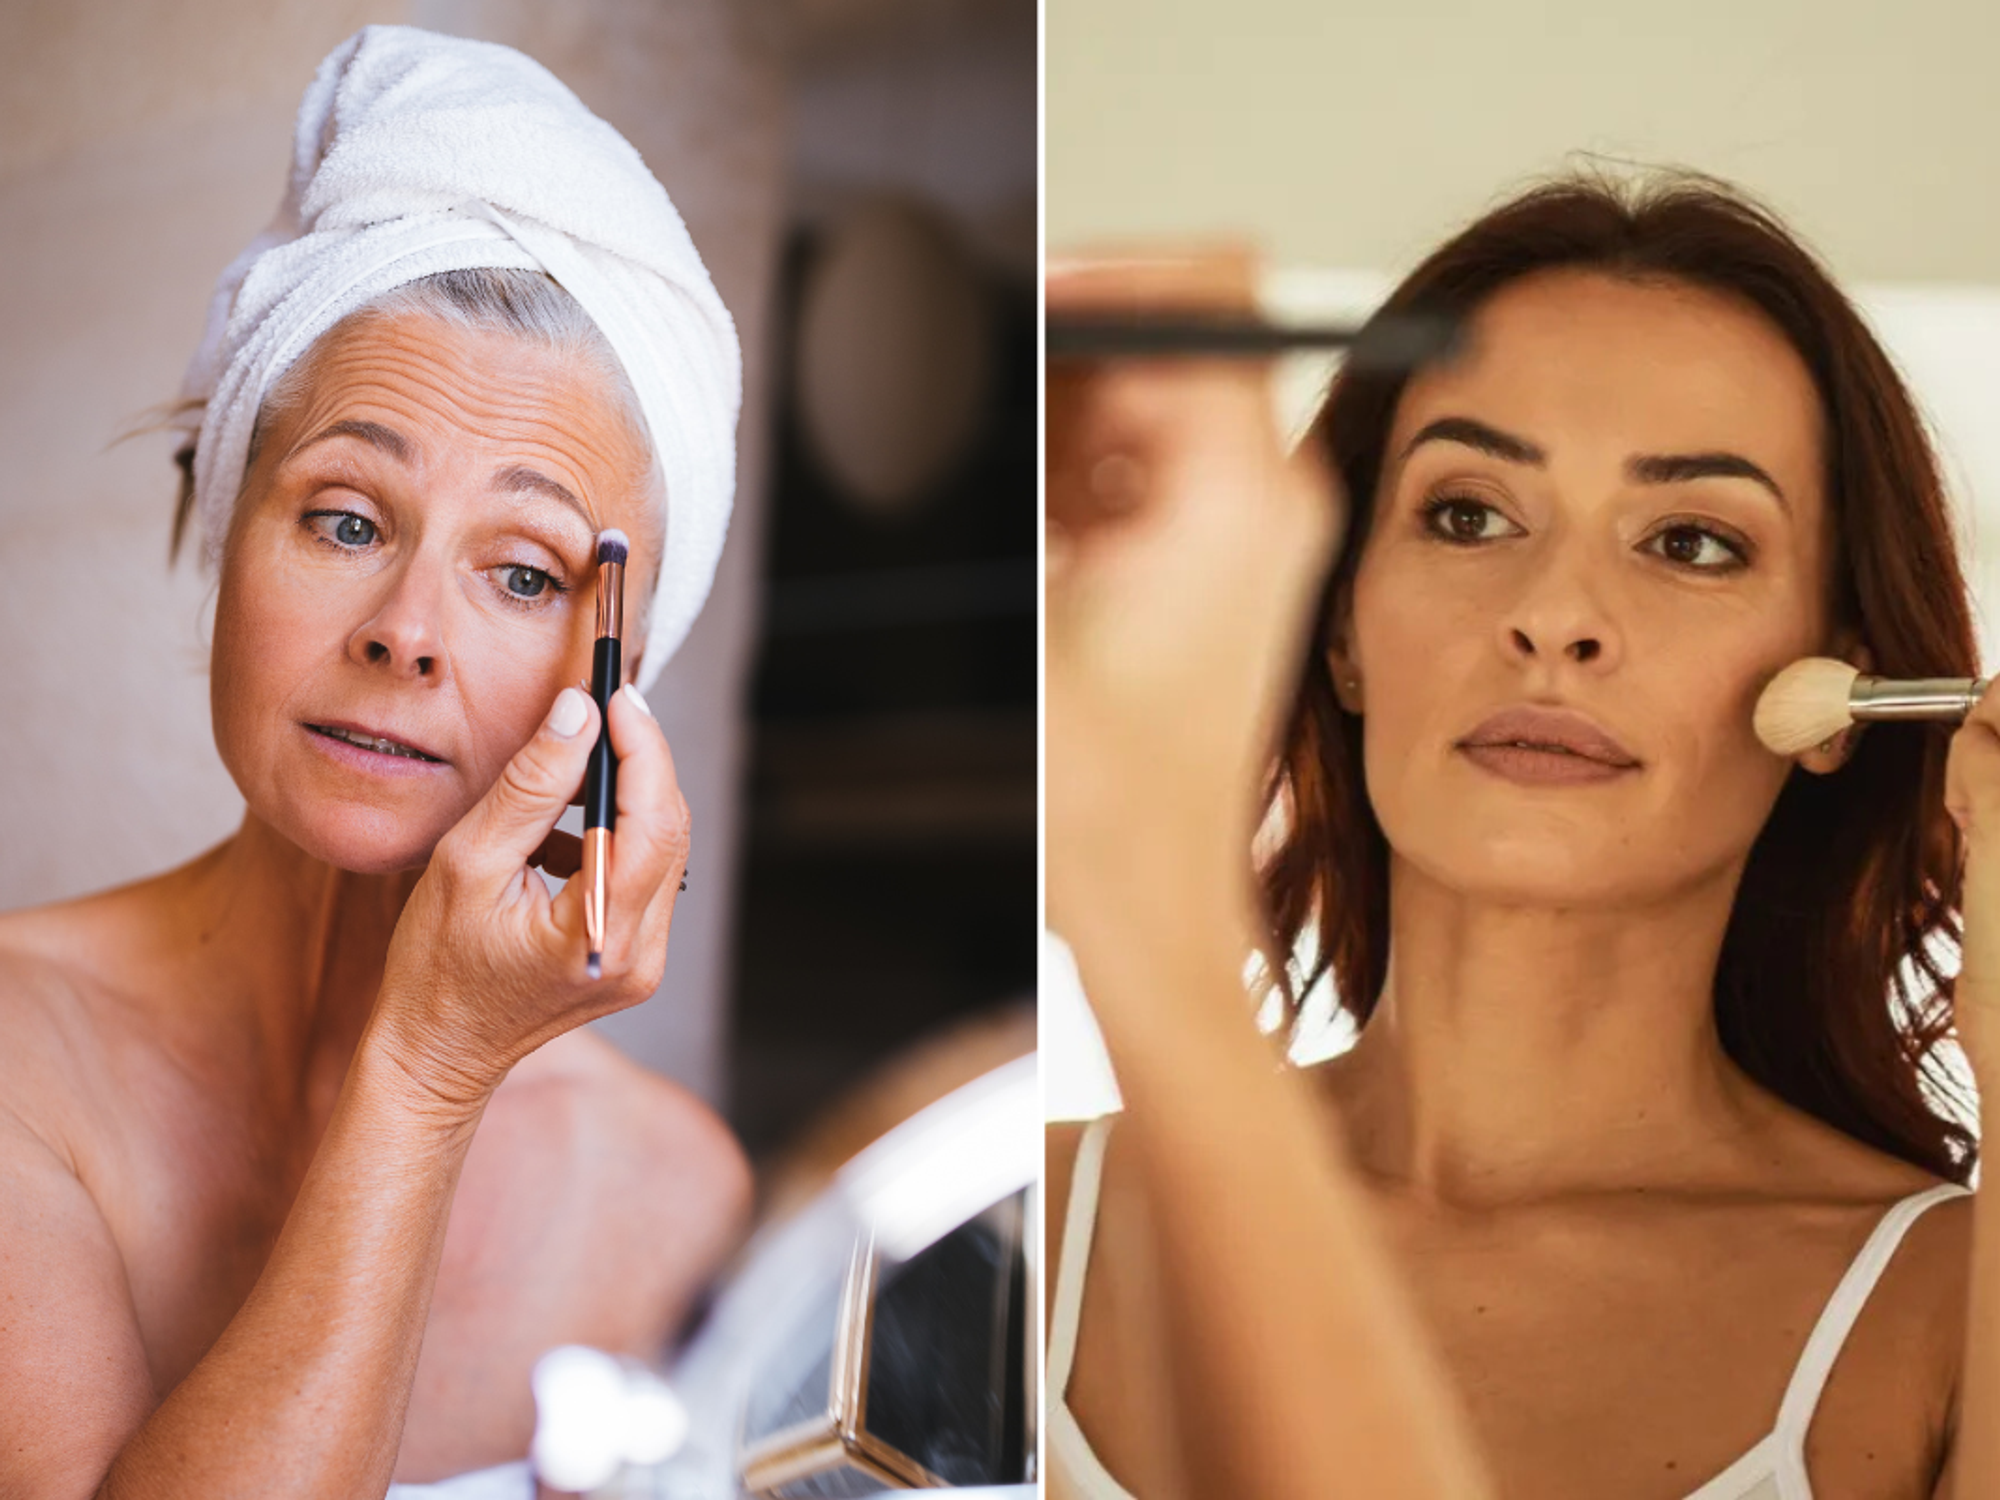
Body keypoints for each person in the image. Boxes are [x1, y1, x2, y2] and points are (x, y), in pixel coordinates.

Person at [1045, 174, 2000, 1499]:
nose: (1558, 615)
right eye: (1469, 514)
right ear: (1338, 627)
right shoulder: (1001, 1228)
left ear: (1835, 695)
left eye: (1692, 541)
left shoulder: (1951, 1307)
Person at [0, 27, 752, 1498]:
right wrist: (424, 1073)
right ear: (229, 530)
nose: (408, 633)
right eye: (346, 520)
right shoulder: (18, 1061)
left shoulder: (673, 1203)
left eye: (525, 575)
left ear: (619, 675)